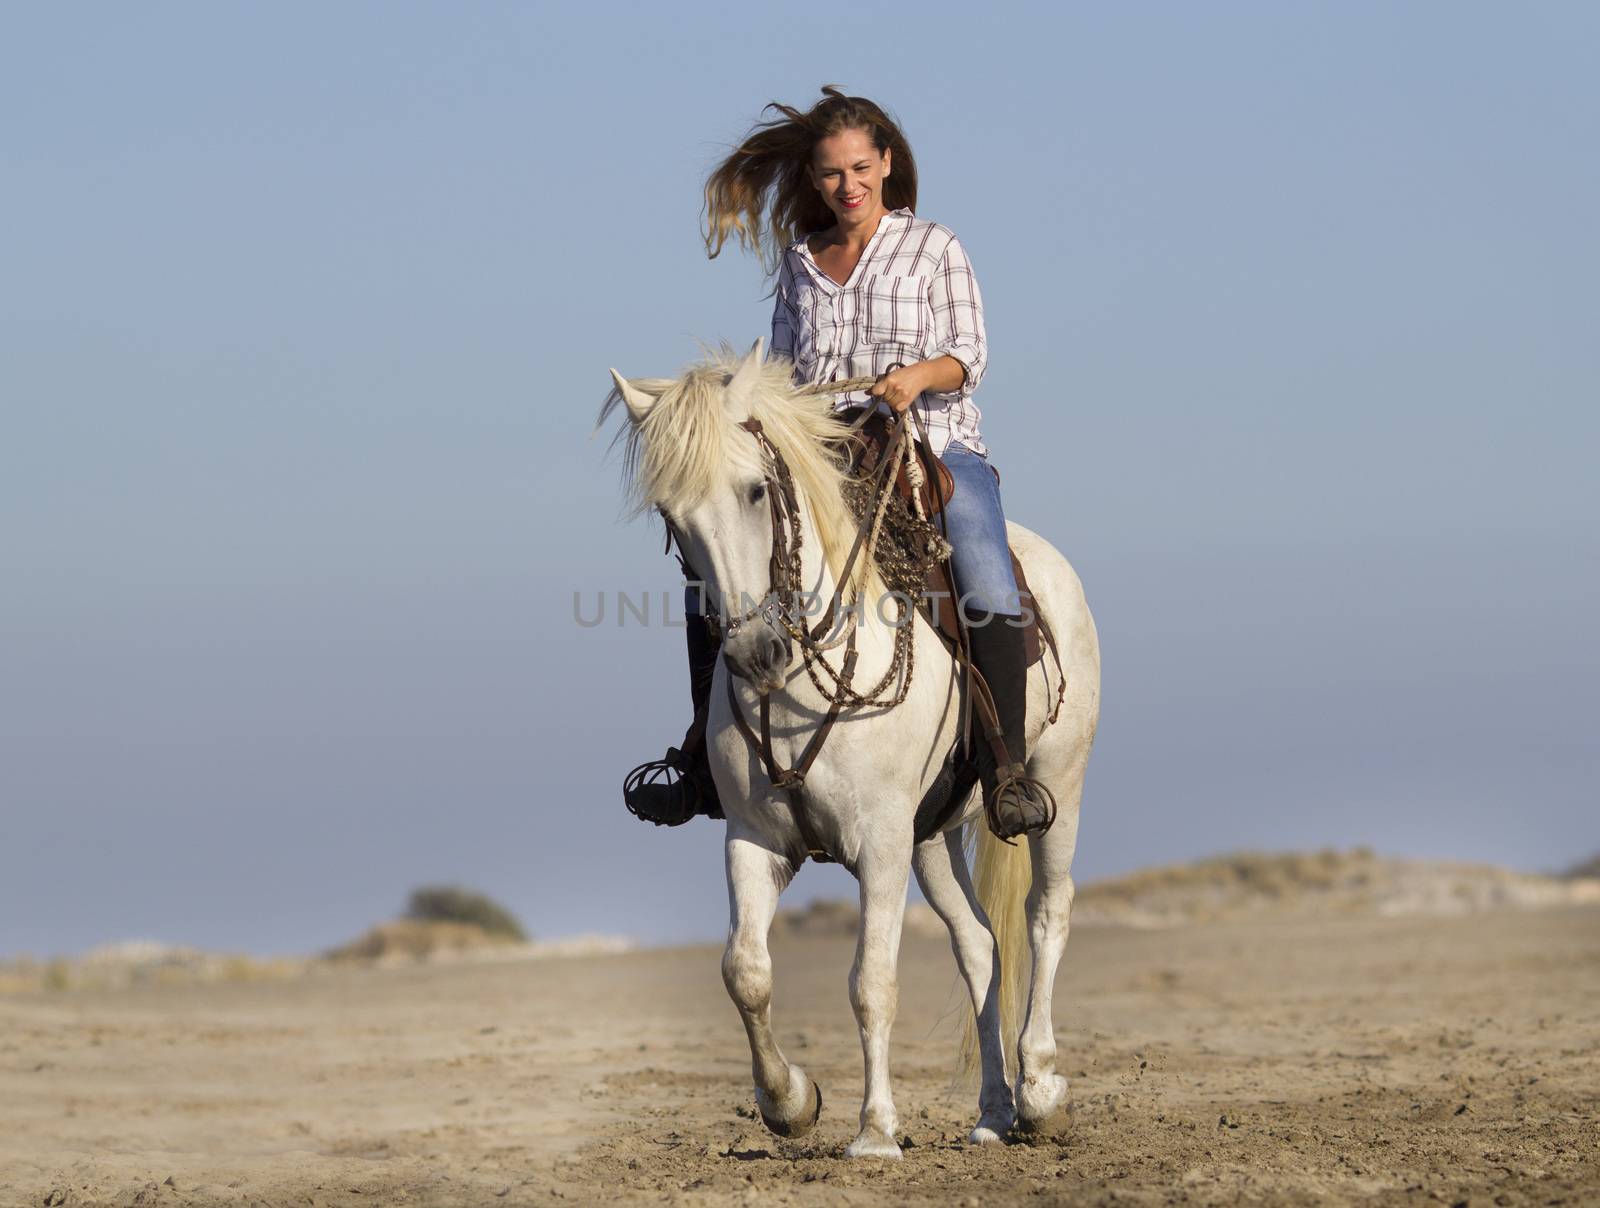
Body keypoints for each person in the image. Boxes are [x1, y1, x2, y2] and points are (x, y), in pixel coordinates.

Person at [622, 86, 1052, 840]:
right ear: (814, 180)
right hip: (826, 455)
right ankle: (703, 762)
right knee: (711, 576)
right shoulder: (800, 261)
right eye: (830, 173)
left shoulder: (934, 248)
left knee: (983, 565)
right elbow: (784, 371)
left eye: (860, 167)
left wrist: (916, 377)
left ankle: (1007, 766)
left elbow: (970, 355)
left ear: (886, 163)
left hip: (934, 443)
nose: (847, 185)